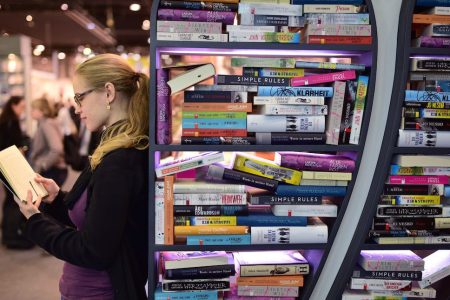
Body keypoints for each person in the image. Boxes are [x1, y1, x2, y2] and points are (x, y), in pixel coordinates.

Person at [16, 54, 149, 300]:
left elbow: (93, 251)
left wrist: (35, 222)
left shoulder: (120, 161)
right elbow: (100, 216)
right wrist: (55, 199)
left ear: (108, 92)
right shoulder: (115, 149)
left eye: (80, 97)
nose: (76, 108)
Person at [0, 96, 34, 249]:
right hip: (11, 165)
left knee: (9, 200)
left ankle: (8, 232)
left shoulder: (4, 120)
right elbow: (15, 146)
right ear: (13, 105)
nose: (22, 110)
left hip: (4, 165)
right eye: (20, 106)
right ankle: (11, 235)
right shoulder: (11, 122)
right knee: (15, 200)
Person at [30, 97, 68, 186]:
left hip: (52, 170)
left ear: (42, 111)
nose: (31, 111)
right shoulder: (45, 123)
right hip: (54, 169)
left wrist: (43, 164)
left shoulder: (46, 124)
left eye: (34, 109)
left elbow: (57, 148)